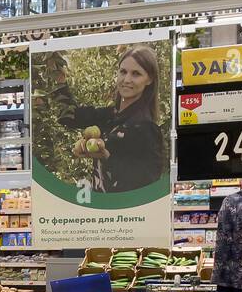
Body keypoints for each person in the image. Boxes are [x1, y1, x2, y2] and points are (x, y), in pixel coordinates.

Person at [50, 44, 167, 193]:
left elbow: (146, 183)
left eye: (136, 74)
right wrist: (59, 80)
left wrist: (106, 156)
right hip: (101, 210)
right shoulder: (109, 116)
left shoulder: (145, 128)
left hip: (125, 213)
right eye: (123, 72)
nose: (127, 79)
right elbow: (69, 117)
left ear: (149, 79)